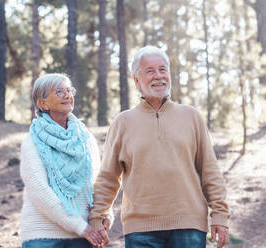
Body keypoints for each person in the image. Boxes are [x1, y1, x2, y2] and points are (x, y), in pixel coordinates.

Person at [89, 46, 230, 248]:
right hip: (140, 230)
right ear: (137, 81)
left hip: (188, 225)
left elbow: (210, 171)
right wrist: (97, 217)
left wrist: (220, 215)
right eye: (150, 71)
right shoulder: (123, 122)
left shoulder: (191, 117)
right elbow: (108, 177)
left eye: (163, 70)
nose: (159, 76)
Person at [19, 73, 110, 248]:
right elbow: (39, 191)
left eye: (69, 90)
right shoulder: (32, 141)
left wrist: (103, 217)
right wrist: (80, 227)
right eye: (60, 91)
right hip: (43, 236)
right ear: (42, 103)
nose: (68, 95)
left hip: (83, 236)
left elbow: (96, 182)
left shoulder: (86, 138)